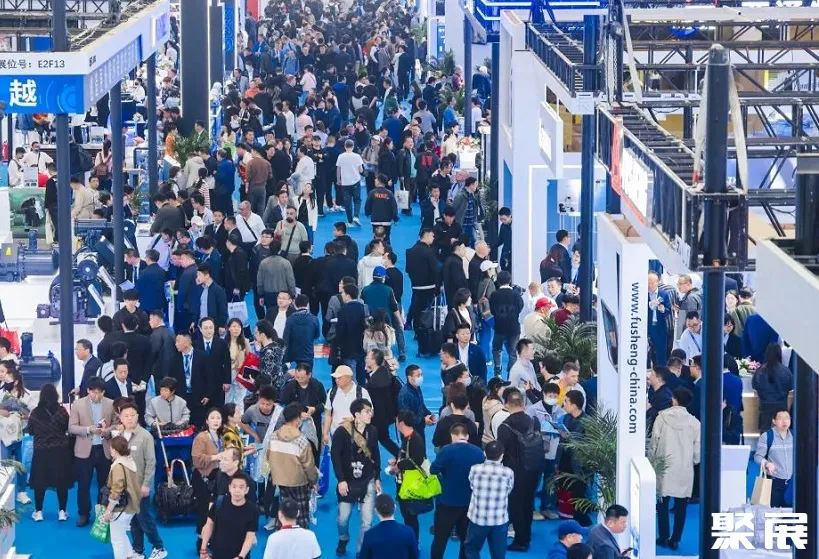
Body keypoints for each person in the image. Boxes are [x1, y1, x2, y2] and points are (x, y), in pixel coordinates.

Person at [650, 388, 700, 550]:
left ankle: (663, 536)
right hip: (684, 468)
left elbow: (654, 443)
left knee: (662, 504)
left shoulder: (662, 417)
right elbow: (697, 453)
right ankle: (675, 539)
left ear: (674, 399)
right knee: (681, 506)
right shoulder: (695, 423)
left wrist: (652, 461)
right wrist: (691, 461)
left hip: (663, 466)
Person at [331, 397, 382, 556]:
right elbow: (335, 457)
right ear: (357, 414)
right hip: (348, 480)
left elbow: (376, 454)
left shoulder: (372, 431)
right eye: (367, 411)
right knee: (343, 518)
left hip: (368, 479)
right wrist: (341, 480)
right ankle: (343, 538)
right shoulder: (342, 432)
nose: (370, 414)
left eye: (370, 411)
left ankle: (361, 551)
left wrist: (377, 477)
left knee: (367, 522)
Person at [116, 401, 166, 559]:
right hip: (125, 486)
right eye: (126, 416)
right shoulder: (120, 436)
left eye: (132, 415)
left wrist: (146, 485)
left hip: (139, 486)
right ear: (120, 418)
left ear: (137, 416)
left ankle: (159, 547)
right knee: (134, 521)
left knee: (145, 519)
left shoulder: (145, 436)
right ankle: (138, 550)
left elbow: (151, 462)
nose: (129, 418)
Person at [430, 422, 486, 558]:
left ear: (452, 436)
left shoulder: (447, 451)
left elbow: (433, 470)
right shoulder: (478, 452)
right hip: (469, 502)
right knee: (465, 538)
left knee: (440, 538)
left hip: (447, 501)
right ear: (467, 436)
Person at [495, 389, 541, 552]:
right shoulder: (533, 421)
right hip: (534, 469)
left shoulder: (504, 426)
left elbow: (500, 451)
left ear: (506, 404)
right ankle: (526, 535)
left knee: (516, 506)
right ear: (523, 404)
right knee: (528, 503)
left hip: (514, 472)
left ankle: (520, 541)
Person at [68, 376, 117, 526]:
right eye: (94, 392)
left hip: (104, 449)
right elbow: (71, 427)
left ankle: (102, 514)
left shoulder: (110, 404)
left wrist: (106, 431)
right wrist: (88, 429)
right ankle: (83, 514)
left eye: (100, 392)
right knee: (83, 485)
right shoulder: (78, 404)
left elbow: (116, 424)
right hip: (84, 450)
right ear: (88, 390)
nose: (97, 395)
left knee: (105, 485)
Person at [268, 402, 319, 528]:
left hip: (280, 480)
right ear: (297, 419)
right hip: (299, 482)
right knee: (301, 514)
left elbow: (269, 457)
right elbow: (309, 465)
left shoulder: (273, 436)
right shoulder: (301, 440)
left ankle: (282, 532)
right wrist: (314, 481)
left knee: (284, 510)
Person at [26, 383, 71, 523]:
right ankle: (62, 511)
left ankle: (39, 511)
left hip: (41, 452)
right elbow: (67, 427)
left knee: (40, 482)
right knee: (61, 482)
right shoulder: (62, 411)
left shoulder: (35, 412)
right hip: (60, 451)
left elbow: (30, 431)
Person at [464, 440, 515, 559]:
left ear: (484, 453)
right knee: (498, 554)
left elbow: (472, 486)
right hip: (499, 520)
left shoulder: (475, 469)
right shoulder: (508, 472)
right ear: (502, 455)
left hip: (478, 518)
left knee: (471, 548)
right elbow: (509, 490)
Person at [526, 382, 564, 520]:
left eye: (555, 396)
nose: (552, 398)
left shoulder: (560, 411)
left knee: (549, 480)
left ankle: (546, 507)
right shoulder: (533, 410)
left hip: (553, 450)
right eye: (550, 395)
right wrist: (539, 431)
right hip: (537, 450)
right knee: (534, 480)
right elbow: (527, 430)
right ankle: (530, 509)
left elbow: (563, 428)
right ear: (543, 394)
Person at [199, 471, 258, 559]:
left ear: (246, 490)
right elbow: (209, 525)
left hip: (240, 555)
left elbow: (250, 536)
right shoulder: (219, 502)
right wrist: (203, 549)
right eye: (234, 486)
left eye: (241, 487)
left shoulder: (252, 510)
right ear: (229, 488)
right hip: (217, 554)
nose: (237, 490)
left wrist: (241, 556)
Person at [389, 410, 426, 543]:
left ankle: (414, 542)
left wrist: (398, 466)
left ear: (401, 423)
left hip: (409, 484)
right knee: (407, 515)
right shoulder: (408, 437)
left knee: (410, 515)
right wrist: (397, 460)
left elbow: (416, 460)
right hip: (404, 482)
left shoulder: (415, 439)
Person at [101, 436, 141, 559]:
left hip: (121, 509)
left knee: (117, 540)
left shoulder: (118, 466)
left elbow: (116, 491)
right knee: (121, 534)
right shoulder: (130, 462)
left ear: (114, 450)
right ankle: (130, 556)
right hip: (131, 506)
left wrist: (108, 510)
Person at [191, 408, 227, 541]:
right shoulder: (201, 437)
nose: (216, 421)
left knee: (215, 509)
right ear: (207, 421)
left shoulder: (221, 436)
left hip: (217, 476)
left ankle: (212, 538)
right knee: (204, 510)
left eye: (218, 418)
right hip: (202, 477)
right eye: (212, 418)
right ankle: (201, 540)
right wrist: (216, 457)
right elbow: (197, 460)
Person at [169, 331, 210, 427]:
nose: (176, 344)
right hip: (181, 396)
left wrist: (207, 395)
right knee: (183, 425)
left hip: (199, 397)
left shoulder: (202, 356)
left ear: (187, 342)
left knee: (198, 424)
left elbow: (209, 377)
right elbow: (171, 379)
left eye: (178, 341)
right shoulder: (174, 358)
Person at [489, 271, 524, 377]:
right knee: (513, 353)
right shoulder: (516, 294)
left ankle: (498, 372)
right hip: (514, 328)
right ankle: (511, 374)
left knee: (496, 349)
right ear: (510, 280)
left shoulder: (494, 295)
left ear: (498, 281)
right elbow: (520, 307)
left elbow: (492, 311)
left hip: (499, 327)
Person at [752, 343, 794, 431]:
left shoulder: (760, 371)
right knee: (782, 431)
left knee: (765, 430)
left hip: (765, 405)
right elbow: (791, 386)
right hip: (781, 405)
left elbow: (755, 386)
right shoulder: (786, 371)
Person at [405, 228, 439, 330]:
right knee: (425, 309)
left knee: (415, 304)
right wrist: (437, 285)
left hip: (416, 285)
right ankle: (421, 327)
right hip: (429, 285)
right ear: (427, 235)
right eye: (432, 236)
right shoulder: (429, 252)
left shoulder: (410, 251)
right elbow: (434, 270)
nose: (433, 238)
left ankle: (410, 323)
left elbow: (408, 269)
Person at [336, 283, 369, 385]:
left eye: (343, 293)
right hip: (362, 348)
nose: (341, 295)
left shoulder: (342, 310)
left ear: (348, 295)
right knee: (362, 376)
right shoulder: (364, 308)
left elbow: (340, 332)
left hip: (348, 350)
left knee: (351, 378)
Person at [194, 317, 231, 408]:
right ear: (200, 329)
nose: (209, 331)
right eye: (206, 328)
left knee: (218, 408)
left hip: (218, 381)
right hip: (201, 382)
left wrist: (227, 381)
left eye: (211, 327)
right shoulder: (195, 344)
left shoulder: (221, 343)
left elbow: (227, 362)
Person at [283, 294, 320, 366]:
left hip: (294, 354)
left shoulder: (290, 319)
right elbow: (317, 335)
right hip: (308, 353)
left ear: (295, 304)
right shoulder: (314, 319)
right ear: (308, 304)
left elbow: (286, 337)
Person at [673, 275, 702, 339]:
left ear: (688, 284)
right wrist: (680, 311)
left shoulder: (690, 297)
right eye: (678, 284)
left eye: (680, 284)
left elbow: (692, 318)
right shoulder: (697, 294)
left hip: (689, 335)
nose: (678, 286)